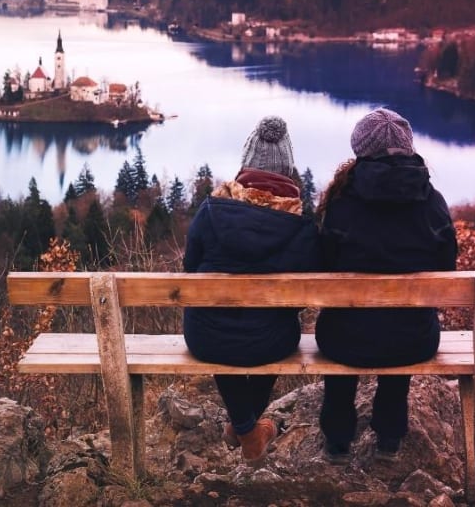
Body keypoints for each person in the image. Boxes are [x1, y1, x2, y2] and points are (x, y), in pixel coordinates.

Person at [314, 108, 458, 463]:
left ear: (360, 150)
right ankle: (389, 439)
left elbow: (321, 267)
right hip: (413, 341)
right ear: (408, 148)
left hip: (343, 341)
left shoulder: (340, 203)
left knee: (347, 328)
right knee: (402, 327)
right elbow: (446, 269)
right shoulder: (432, 204)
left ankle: (337, 441)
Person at [183, 115, 322, 465]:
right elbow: (303, 297)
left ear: (246, 163)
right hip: (271, 340)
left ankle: (245, 430)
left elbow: (189, 270)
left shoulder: (212, 210)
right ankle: (248, 431)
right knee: (274, 332)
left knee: (217, 329)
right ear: (287, 169)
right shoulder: (301, 225)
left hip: (205, 337)